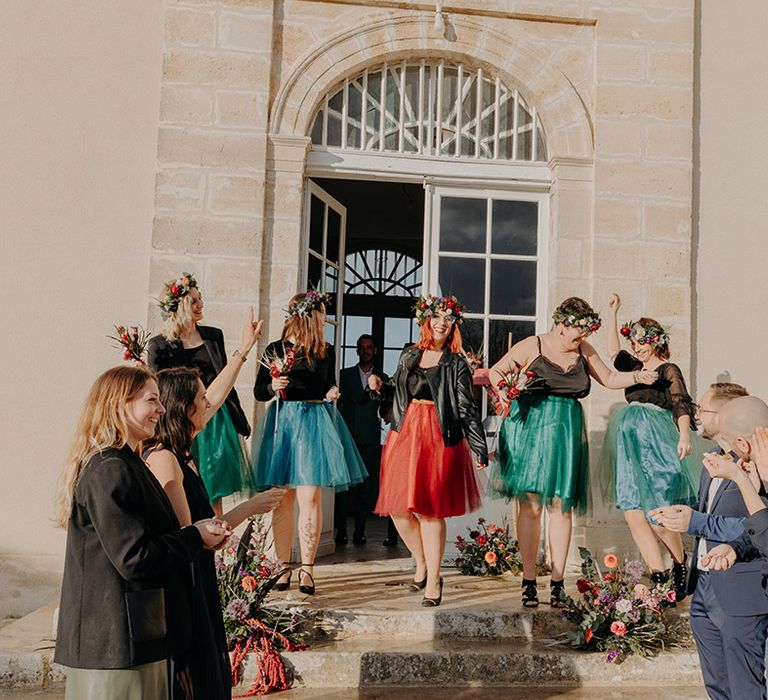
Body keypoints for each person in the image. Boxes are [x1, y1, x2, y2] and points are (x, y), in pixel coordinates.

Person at [53, 365, 230, 700]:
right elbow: (134, 557)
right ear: (121, 405)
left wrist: (197, 532)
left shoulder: (127, 462)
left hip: (136, 640)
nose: (161, 410)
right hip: (116, 648)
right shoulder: (110, 469)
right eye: (152, 400)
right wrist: (194, 537)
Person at [144, 309, 286, 699]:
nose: (209, 404)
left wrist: (243, 350)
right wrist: (251, 507)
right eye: (201, 400)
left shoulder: (184, 451)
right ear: (184, 409)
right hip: (183, 592)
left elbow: (218, 392)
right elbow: (196, 535)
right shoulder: (165, 459)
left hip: (199, 583)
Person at [488, 296, 658, 609]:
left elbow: (608, 378)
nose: (581, 339)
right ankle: (528, 582)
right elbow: (497, 372)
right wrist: (503, 390)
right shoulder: (533, 346)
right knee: (531, 506)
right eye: (578, 332)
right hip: (529, 429)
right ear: (562, 325)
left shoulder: (583, 350)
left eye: (585, 334)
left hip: (565, 431)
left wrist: (637, 376)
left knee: (561, 506)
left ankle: (556, 582)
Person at [369, 294, 487, 607]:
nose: (442, 323)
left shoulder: (456, 362)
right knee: (397, 508)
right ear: (426, 320)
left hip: (438, 436)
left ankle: (434, 580)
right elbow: (395, 388)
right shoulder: (409, 354)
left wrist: (478, 446)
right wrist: (379, 384)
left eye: (448, 319)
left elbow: (465, 406)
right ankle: (421, 560)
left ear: (453, 326)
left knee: (431, 512)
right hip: (404, 434)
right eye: (437, 317)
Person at [252, 290, 367, 596]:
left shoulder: (324, 351)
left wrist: (331, 393)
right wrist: (272, 385)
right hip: (283, 425)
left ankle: (307, 569)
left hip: (314, 423)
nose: (323, 322)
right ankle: (281, 566)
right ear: (307, 317)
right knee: (282, 500)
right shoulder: (275, 349)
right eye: (320, 317)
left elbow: (327, 383)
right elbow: (258, 392)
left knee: (310, 499)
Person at [653, 395, 768, 700]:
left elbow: (758, 529)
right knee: (718, 686)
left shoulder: (753, 469)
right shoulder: (717, 461)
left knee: (746, 689)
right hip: (706, 584)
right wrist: (681, 514)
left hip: (743, 591)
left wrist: (699, 524)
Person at [596, 293, 705, 601]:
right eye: (635, 342)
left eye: (643, 342)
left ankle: (681, 563)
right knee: (632, 512)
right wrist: (613, 311)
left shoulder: (668, 370)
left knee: (657, 512)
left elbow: (680, 404)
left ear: (655, 341)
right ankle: (658, 575)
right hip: (629, 442)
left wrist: (684, 435)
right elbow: (612, 351)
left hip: (656, 442)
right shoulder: (632, 365)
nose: (638, 347)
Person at [147, 272, 252, 515]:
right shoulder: (159, 345)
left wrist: (240, 421)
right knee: (182, 485)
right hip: (179, 423)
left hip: (215, 422)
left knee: (213, 489)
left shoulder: (214, 336)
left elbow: (227, 378)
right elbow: (157, 389)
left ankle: (216, 544)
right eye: (193, 301)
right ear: (180, 307)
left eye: (200, 299)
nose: (200, 304)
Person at [335, 334, 397, 546]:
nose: (365, 351)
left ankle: (359, 532)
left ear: (375, 350)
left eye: (369, 347)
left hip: (370, 437)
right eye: (362, 348)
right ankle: (341, 530)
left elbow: (388, 408)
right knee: (344, 488)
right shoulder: (344, 375)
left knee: (366, 488)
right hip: (347, 437)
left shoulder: (384, 378)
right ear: (357, 350)